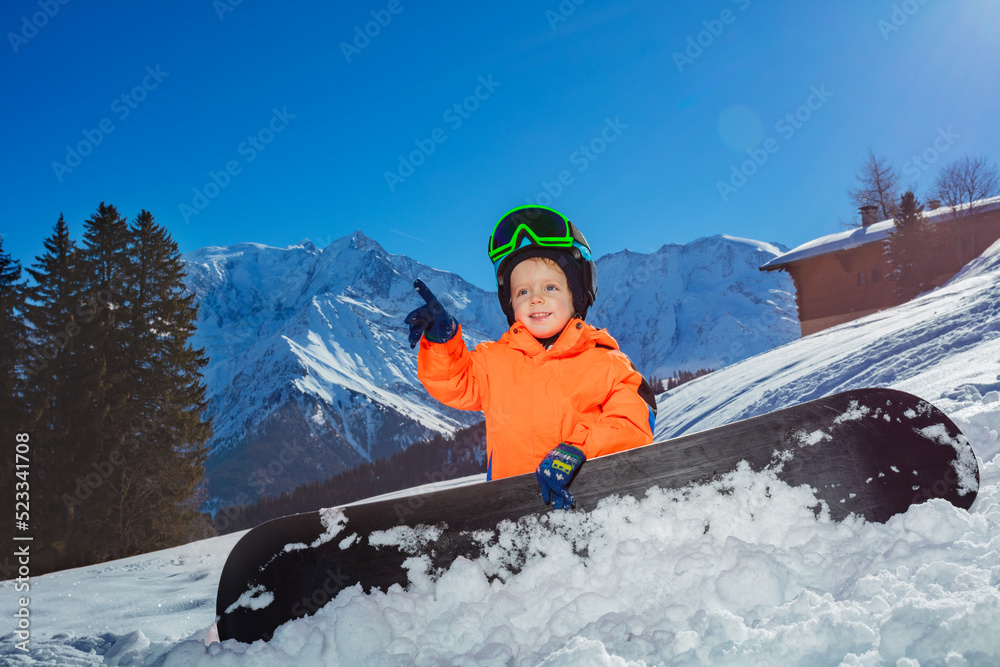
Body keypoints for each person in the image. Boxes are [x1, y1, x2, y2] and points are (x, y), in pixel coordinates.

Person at [405, 205, 656, 509]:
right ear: (509, 302)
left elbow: (635, 423)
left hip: (582, 510)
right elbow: (453, 383)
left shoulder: (604, 362)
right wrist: (441, 341)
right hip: (509, 516)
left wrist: (578, 449)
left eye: (550, 287)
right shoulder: (494, 361)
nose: (535, 298)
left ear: (576, 294)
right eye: (523, 291)